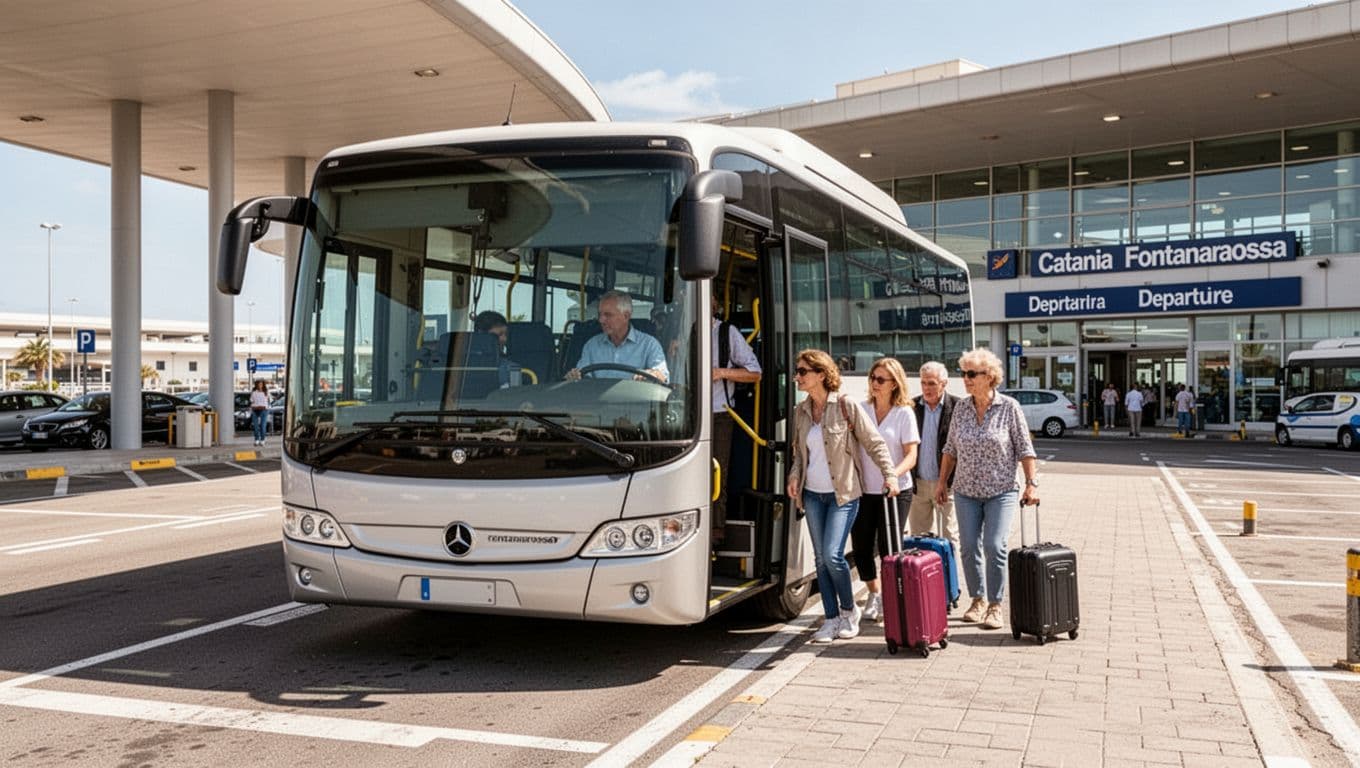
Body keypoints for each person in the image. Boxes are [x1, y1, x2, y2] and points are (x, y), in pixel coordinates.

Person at [786, 349, 899, 643]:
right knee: (821, 560)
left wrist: (890, 474)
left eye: (802, 372)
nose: (797, 376)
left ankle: (850, 611)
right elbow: (800, 454)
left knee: (834, 555)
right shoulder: (802, 411)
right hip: (812, 495)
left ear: (821, 375)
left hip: (843, 494)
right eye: (797, 372)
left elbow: (875, 444)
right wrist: (794, 475)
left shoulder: (846, 406)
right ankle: (831, 617)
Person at [935, 348, 1038, 631]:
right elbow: (950, 449)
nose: (965, 379)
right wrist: (942, 482)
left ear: (989, 376)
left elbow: (1025, 449)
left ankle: (995, 605)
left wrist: (1031, 484)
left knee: (995, 545)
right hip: (966, 490)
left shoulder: (1009, 407)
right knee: (968, 547)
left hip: (1001, 489)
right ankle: (977, 600)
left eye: (971, 374)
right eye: (963, 373)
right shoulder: (961, 408)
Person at [851, 357, 920, 623]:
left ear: (894, 384)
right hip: (864, 490)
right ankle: (874, 593)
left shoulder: (904, 413)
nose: (874, 384)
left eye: (881, 379)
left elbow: (911, 455)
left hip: (895, 490)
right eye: (872, 378)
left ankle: (893, 596)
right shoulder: (861, 409)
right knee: (861, 547)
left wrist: (893, 476)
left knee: (889, 547)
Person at [711, 297, 761, 545]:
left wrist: (721, 373)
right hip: (682, 413)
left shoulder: (726, 333)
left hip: (721, 414)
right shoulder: (681, 331)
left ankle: (716, 532)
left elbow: (755, 373)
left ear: (713, 304)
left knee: (716, 472)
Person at [909, 360, 960, 551]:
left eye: (931, 383)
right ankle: (924, 579)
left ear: (944, 383)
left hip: (947, 484)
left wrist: (946, 482)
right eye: (923, 383)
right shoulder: (912, 406)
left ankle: (948, 579)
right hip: (919, 485)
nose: (926, 388)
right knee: (918, 539)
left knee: (949, 538)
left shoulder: (957, 406)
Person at [565, 291, 668, 383]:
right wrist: (575, 376)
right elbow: (582, 377)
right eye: (600, 314)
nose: (601, 320)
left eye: (608, 315)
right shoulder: (591, 345)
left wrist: (653, 374)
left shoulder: (649, 345)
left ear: (626, 316)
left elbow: (662, 377)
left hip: (635, 403)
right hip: (596, 402)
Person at [249, 379, 270, 446]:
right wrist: (253, 406)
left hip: (264, 410)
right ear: (256, 385)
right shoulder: (254, 392)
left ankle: (262, 440)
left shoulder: (266, 392)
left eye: (261, 384)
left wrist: (265, 406)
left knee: (262, 426)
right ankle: (256, 440)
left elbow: (268, 402)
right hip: (255, 409)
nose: (259, 385)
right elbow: (251, 401)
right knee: (255, 426)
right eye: (258, 384)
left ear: (263, 385)